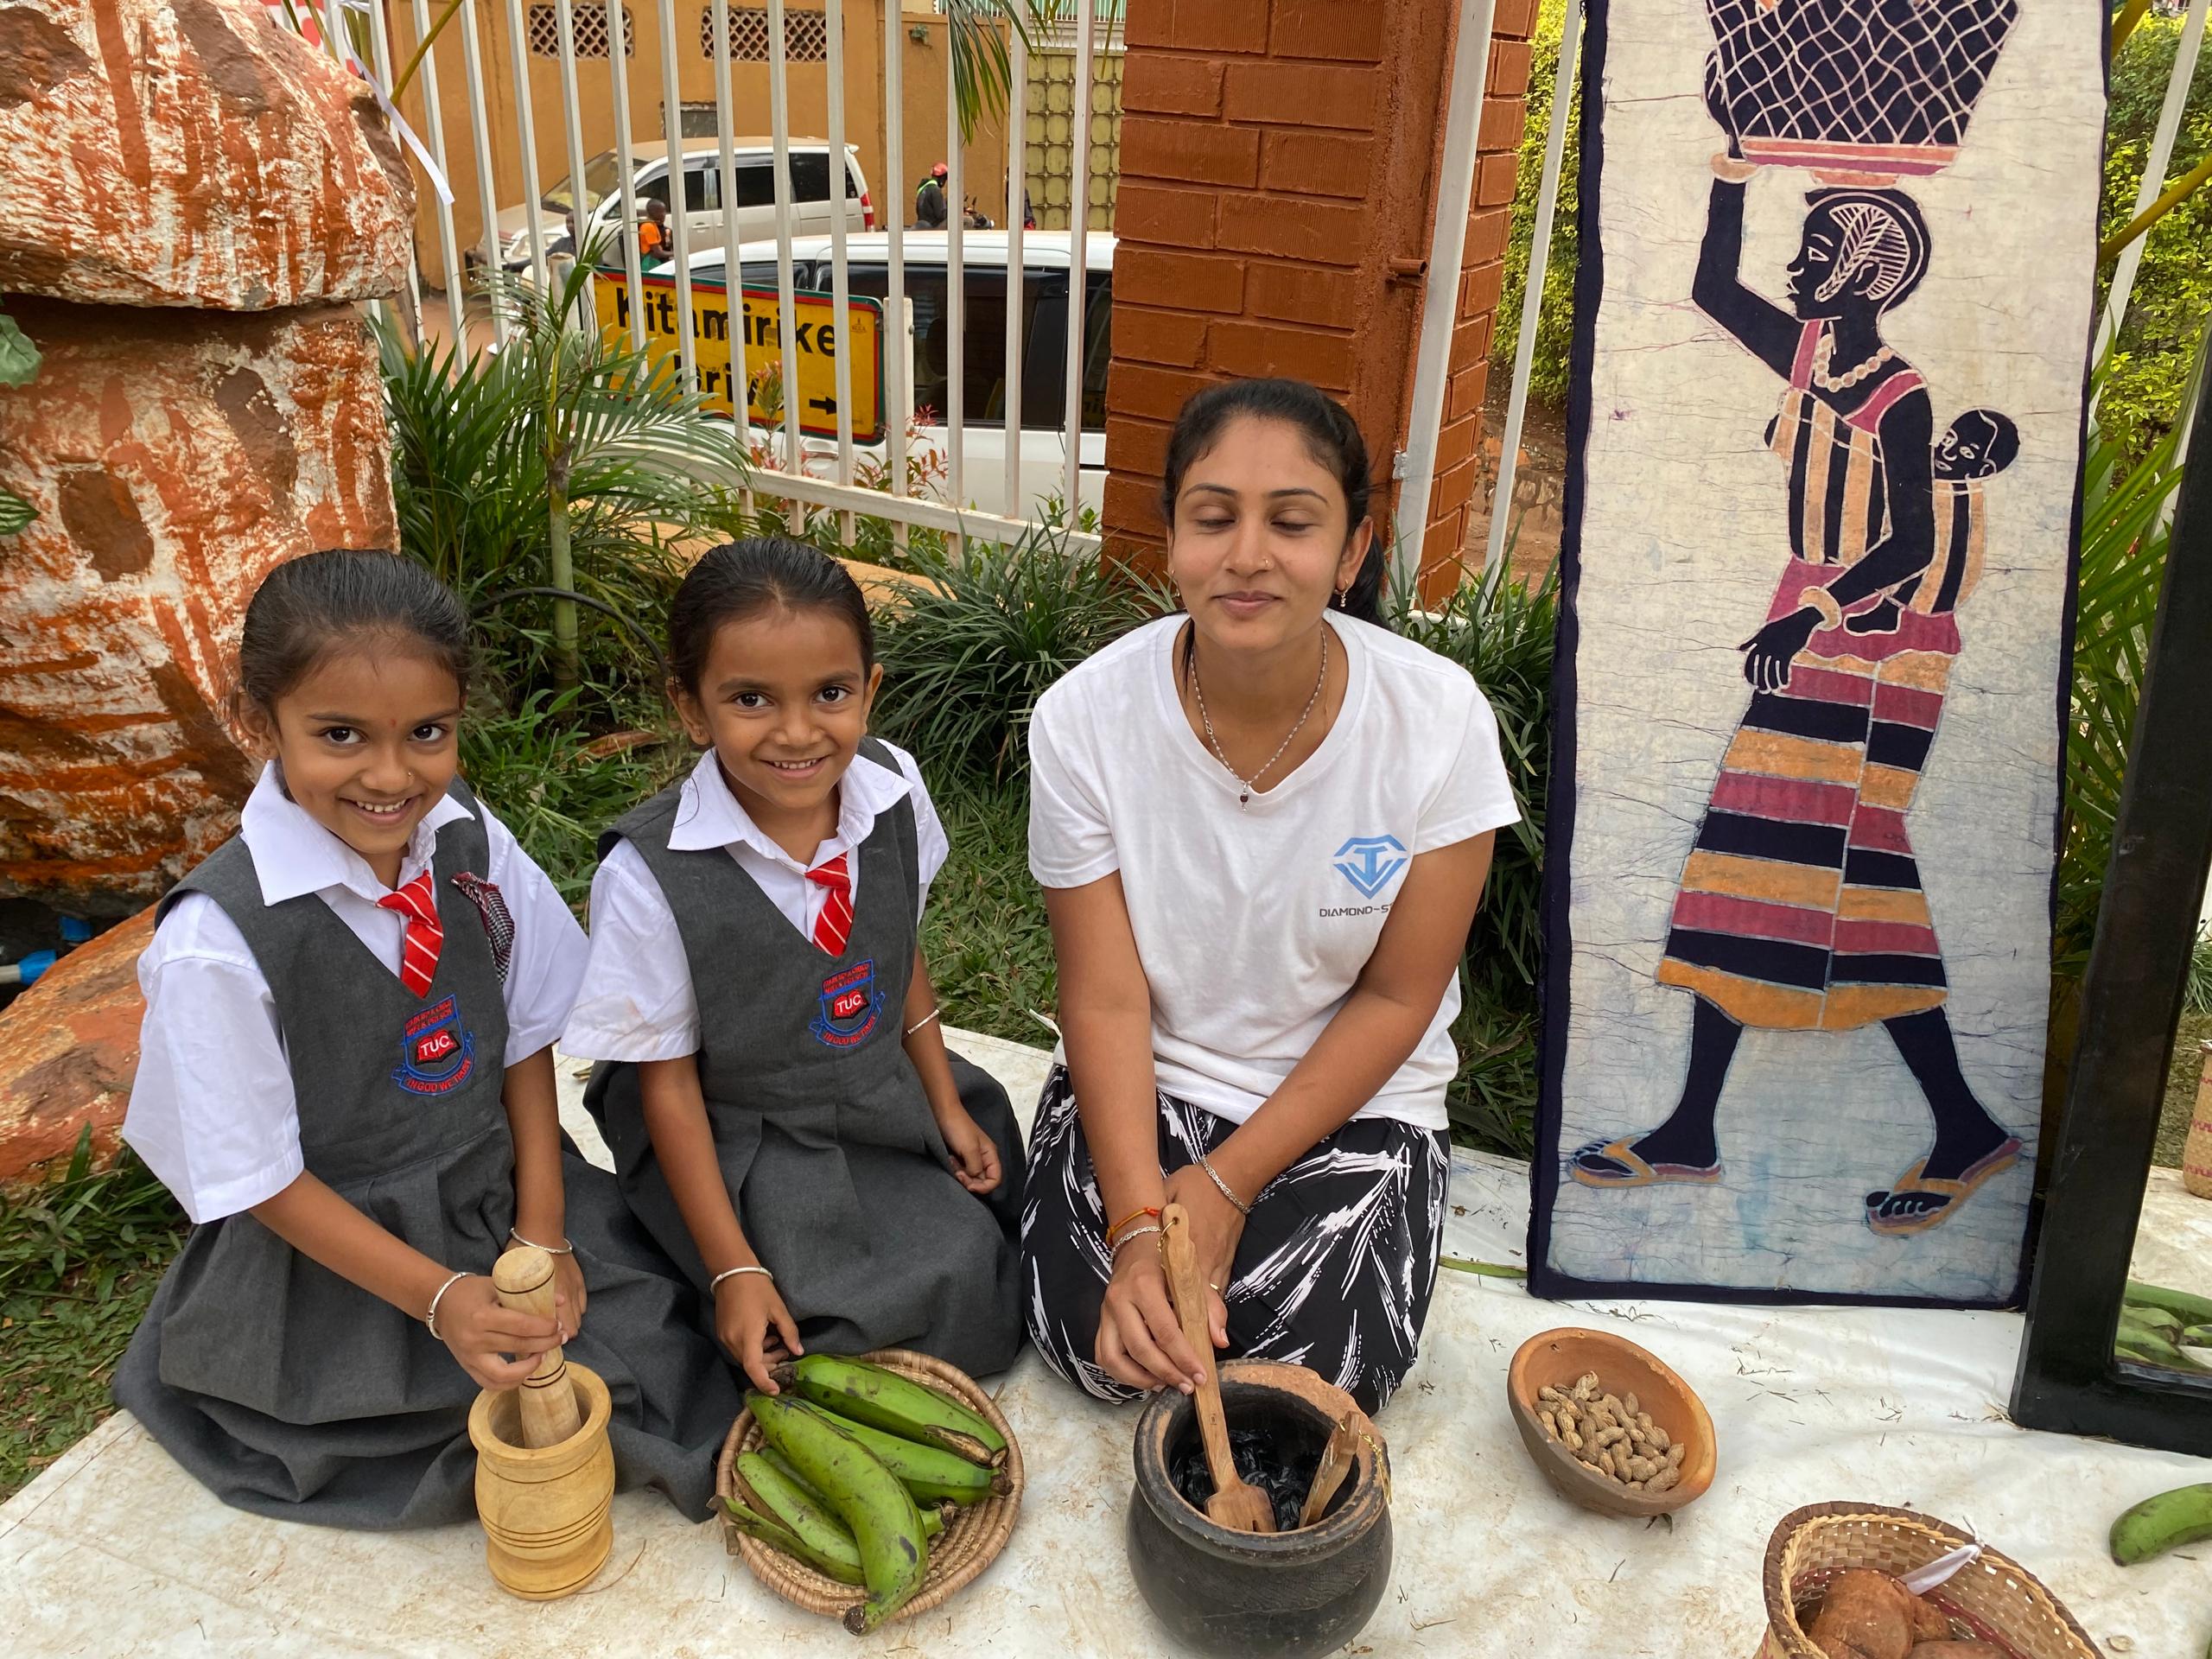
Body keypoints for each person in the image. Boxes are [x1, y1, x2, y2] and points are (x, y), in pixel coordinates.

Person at [116, 550, 739, 1529]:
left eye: (427, 733)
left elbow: (525, 1037)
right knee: (475, 1422)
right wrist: (440, 1299)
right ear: (255, 722)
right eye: (339, 736)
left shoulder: (471, 845)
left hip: (492, 1183)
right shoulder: (218, 945)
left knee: (658, 1330)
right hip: (335, 1246)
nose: (390, 775)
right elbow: (262, 1181)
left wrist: (542, 1229)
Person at [1017, 379, 1521, 1414]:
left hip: (1354, 1096)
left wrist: (1230, 1181)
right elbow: (1106, 1001)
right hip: (1150, 1082)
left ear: (1350, 550)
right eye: (1213, 519)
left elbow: (1396, 1000)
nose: (1247, 555)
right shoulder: (1082, 723)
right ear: (1170, 541)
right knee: (1100, 1346)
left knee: (1312, 1385)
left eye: (1290, 522)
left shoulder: (1437, 722)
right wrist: (1138, 1226)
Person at [1567, 159, 2024, 1238]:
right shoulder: (1817, 358)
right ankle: (1701, 1127)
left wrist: (1812, 612)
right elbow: (1714, 290)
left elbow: (1910, 539)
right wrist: (1730, 166)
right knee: (1752, 866)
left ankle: (1953, 1125)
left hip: (1867, 657)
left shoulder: (1901, 398)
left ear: (1868, 271)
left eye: (1817, 253)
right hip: (1815, 635)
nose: (1797, 266)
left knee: (1838, 880)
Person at [568, 539, 1024, 1393]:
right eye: (750, 699)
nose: (797, 732)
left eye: (830, 694)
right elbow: (665, 1090)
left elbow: (899, 951)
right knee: (820, 1320)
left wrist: (941, 1101)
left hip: (872, 1076)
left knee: (984, 1232)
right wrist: (734, 1269)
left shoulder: (893, 789)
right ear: (690, 707)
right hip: (739, 1125)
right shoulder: (648, 874)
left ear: (870, 689)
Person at [915, 162, 950, 230]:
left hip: (923, 223)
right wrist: (954, 210)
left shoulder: (924, 188)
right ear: (942, 178)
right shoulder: (935, 190)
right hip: (933, 226)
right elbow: (941, 215)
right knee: (967, 221)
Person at [639, 199, 671, 269]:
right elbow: (657, 253)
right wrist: (677, 254)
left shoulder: (653, 225)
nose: (664, 215)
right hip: (650, 263)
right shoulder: (648, 226)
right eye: (661, 212)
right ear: (653, 213)